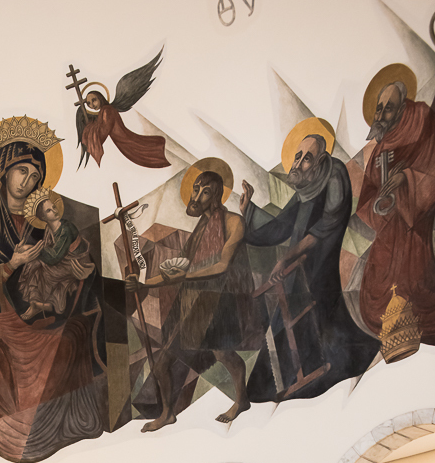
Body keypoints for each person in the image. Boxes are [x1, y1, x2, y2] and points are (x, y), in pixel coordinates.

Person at [0, 137, 105, 463]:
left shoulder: (46, 228)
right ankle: (4, 427)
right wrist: (10, 265)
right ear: (3, 171)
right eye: (21, 171)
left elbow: (75, 278)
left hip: (44, 319)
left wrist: (78, 268)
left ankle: (46, 426)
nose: (27, 181)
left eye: (34, 176)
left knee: (73, 336)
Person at [241, 133, 377, 413]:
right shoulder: (306, 184)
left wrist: (288, 257)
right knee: (286, 317)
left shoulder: (334, 173)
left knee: (317, 315)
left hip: (321, 261)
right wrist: (248, 212)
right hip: (298, 266)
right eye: (297, 156)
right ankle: (273, 386)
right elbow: (282, 226)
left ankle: (315, 375)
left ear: (321, 160)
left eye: (307, 158)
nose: (299, 163)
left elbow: (329, 223)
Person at [126, 169, 258, 429]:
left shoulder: (233, 223)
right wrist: (143, 283)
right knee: (164, 360)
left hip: (219, 300)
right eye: (196, 188)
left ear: (217, 196)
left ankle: (241, 400)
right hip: (193, 302)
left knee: (224, 355)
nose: (196, 196)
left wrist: (186, 276)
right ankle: (167, 413)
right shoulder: (199, 231)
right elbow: (175, 272)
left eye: (205, 191)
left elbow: (221, 266)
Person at [357, 80, 435, 344]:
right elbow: (368, 193)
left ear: (402, 108)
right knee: (375, 284)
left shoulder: (422, 124)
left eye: (387, 108)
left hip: (415, 223)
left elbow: (431, 171)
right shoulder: (379, 148)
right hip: (389, 225)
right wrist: (379, 205)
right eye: (378, 109)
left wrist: (406, 179)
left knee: (415, 282)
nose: (380, 116)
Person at [18, 189, 94, 321]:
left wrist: (31, 248)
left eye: (53, 207)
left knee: (40, 268)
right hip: (62, 260)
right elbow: (51, 250)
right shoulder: (49, 228)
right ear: (43, 217)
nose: (54, 211)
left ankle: (43, 305)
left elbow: (54, 257)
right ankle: (36, 303)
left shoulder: (66, 228)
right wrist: (29, 250)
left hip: (75, 262)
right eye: (49, 211)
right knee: (33, 264)